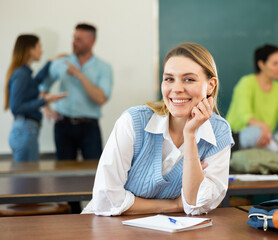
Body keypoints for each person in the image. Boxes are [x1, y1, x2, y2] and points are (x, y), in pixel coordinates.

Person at [82, 43, 234, 216]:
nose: (177, 89)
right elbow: (107, 200)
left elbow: (196, 205)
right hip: (106, 226)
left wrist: (190, 135)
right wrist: (175, 205)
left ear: (211, 85)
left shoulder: (219, 131)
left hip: (170, 231)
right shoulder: (133, 121)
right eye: (169, 79)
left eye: (189, 79)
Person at [40, 23, 113, 160]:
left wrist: (79, 75)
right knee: (63, 173)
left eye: (79, 39)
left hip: (89, 127)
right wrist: (46, 109)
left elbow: (101, 98)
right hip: (63, 126)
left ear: (92, 42)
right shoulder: (61, 63)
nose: (74, 42)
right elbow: (43, 86)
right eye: (74, 38)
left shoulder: (104, 68)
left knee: (94, 171)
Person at [4, 34, 66, 162]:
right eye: (39, 47)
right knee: (27, 179)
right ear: (31, 50)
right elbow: (16, 107)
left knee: (27, 178)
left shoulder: (24, 73)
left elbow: (35, 82)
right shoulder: (21, 74)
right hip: (25, 132)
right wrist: (45, 100)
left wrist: (50, 62)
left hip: (26, 131)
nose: (41, 51)